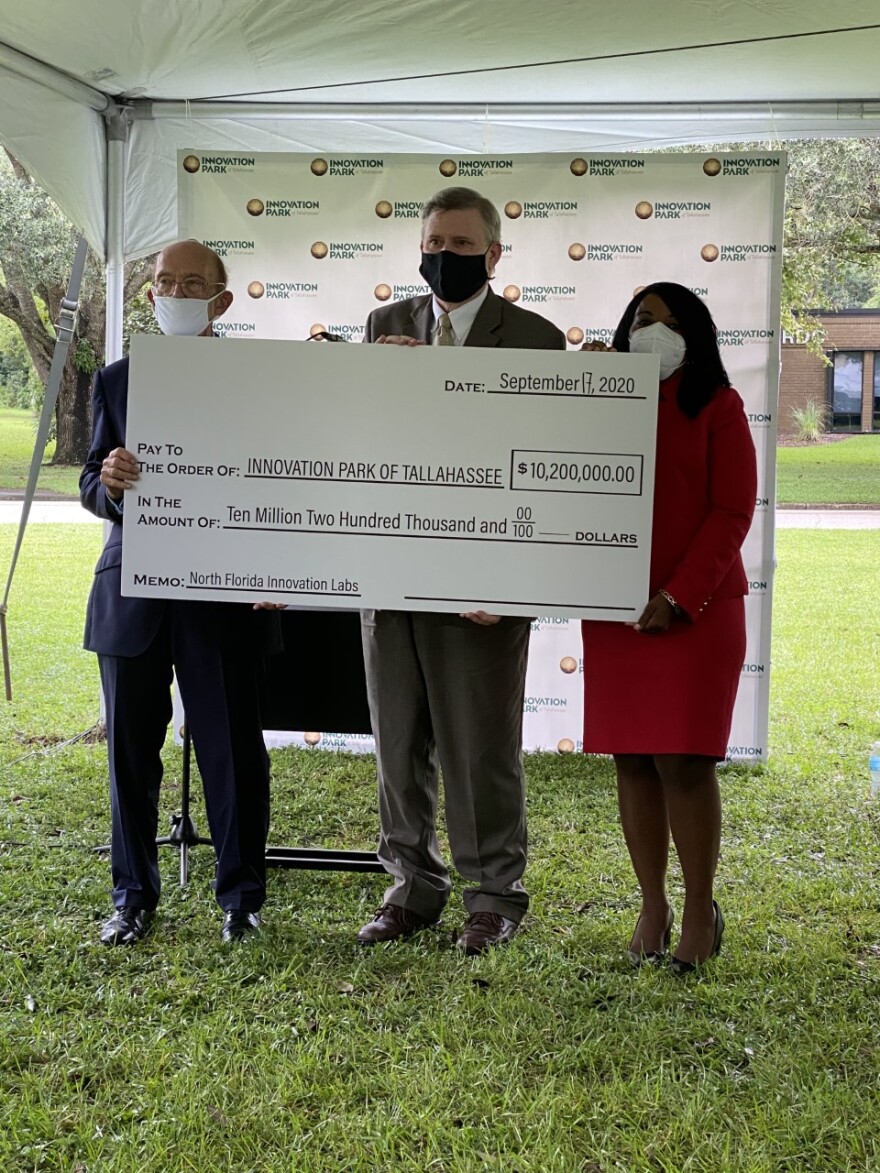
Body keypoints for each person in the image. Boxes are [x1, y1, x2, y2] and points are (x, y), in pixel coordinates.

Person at [357, 186, 566, 955]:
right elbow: (362, 436)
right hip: (392, 565)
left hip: (485, 578)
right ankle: (411, 885)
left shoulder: (538, 339)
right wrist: (377, 381)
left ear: (495, 254)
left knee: (479, 743)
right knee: (396, 738)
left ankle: (494, 895)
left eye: (461, 245)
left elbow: (546, 468)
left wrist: (515, 581)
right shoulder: (384, 326)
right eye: (434, 244)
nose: (444, 257)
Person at [80, 239, 279, 946]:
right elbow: (88, 486)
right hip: (131, 594)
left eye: (191, 283)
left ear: (221, 300)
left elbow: (278, 484)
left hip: (220, 595)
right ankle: (132, 896)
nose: (174, 292)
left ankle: (241, 898)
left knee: (231, 748)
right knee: (130, 755)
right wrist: (109, 480)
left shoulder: (261, 382)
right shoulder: (116, 379)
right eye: (164, 281)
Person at [580, 282, 756, 973]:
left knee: (683, 763)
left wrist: (678, 596)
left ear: (698, 335)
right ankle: (651, 903)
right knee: (632, 760)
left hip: (697, 611)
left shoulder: (719, 405)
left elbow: (731, 511)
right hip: (617, 610)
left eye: (673, 322)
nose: (656, 331)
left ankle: (700, 907)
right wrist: (582, 385)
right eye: (645, 318)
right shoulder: (603, 397)